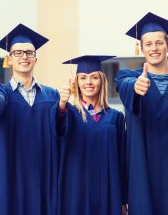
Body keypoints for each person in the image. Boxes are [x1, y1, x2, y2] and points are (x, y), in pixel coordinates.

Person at [115, 12, 168, 215]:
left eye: (159, 43)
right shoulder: (128, 77)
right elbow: (124, 85)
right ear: (141, 48)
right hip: (143, 169)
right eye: (149, 44)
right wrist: (136, 87)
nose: (154, 48)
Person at [0, 23, 59, 215]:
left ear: (36, 58)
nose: (24, 56)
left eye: (29, 52)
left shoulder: (52, 96)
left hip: (44, 178)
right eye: (18, 53)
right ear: (9, 59)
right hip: (12, 177)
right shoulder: (2, 93)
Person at [54, 55, 127, 215]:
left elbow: (122, 161)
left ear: (101, 81)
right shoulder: (69, 113)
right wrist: (61, 105)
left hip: (109, 192)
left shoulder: (115, 117)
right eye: (83, 78)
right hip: (78, 194)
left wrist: (122, 200)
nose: (88, 82)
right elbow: (58, 128)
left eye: (94, 77)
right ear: (77, 83)